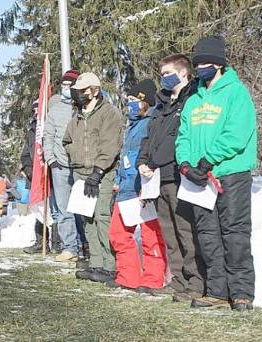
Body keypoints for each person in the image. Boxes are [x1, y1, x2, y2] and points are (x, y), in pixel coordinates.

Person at [175, 37, 257, 311]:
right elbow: (183, 136)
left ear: (220, 64)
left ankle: (242, 292)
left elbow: (237, 133)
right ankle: (217, 291)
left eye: (206, 62)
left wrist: (208, 160)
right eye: (197, 63)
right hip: (198, 179)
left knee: (234, 233)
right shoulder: (193, 100)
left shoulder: (236, 93)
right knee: (207, 234)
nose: (201, 67)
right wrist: (186, 165)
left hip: (229, 174)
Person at [137, 54, 205, 302]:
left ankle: (196, 281)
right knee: (170, 233)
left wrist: (154, 162)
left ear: (183, 72)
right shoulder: (161, 104)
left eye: (167, 73)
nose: (163, 78)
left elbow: (175, 138)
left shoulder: (191, 99)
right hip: (158, 179)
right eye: (162, 74)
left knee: (186, 231)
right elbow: (149, 138)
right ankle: (177, 280)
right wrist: (142, 161)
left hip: (178, 174)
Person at [63, 72, 124, 284]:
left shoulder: (109, 113)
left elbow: (110, 144)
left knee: (102, 217)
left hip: (103, 174)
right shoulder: (77, 117)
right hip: (80, 173)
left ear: (94, 90)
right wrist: (75, 157)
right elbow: (67, 140)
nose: (79, 95)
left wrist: (98, 171)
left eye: (83, 91)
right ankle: (96, 263)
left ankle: (110, 265)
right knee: (87, 219)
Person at [108, 80, 167, 291]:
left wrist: (147, 184)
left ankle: (153, 278)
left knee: (151, 235)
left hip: (143, 187)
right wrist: (118, 180)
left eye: (133, 100)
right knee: (118, 233)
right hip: (126, 188)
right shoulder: (131, 126)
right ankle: (128, 276)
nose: (129, 105)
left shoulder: (152, 122)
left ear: (144, 101)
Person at [44, 70, 82, 262]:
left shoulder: (83, 107)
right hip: (60, 165)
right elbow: (48, 136)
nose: (66, 89)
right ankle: (70, 247)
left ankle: (87, 245)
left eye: (70, 86)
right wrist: (51, 159)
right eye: (64, 86)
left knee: (83, 208)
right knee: (64, 208)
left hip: (81, 165)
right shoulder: (55, 108)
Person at [21, 101, 56, 254]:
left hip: (50, 174)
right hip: (34, 176)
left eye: (38, 109)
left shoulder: (50, 127)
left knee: (53, 211)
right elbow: (26, 154)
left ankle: (56, 243)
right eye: (34, 110)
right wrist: (29, 169)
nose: (36, 112)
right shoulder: (31, 130)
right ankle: (40, 242)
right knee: (38, 210)